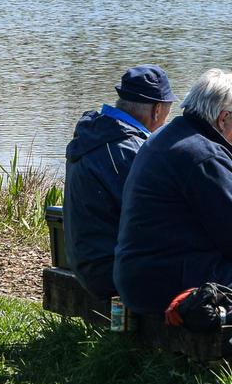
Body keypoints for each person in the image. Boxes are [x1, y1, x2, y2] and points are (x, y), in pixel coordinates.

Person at [113, 67, 232, 319]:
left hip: (138, 277)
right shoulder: (204, 157)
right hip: (162, 284)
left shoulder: (166, 137)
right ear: (224, 118)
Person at [61, 65, 173, 300]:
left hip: (86, 262)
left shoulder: (96, 133)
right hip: (109, 272)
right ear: (157, 110)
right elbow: (157, 217)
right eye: (167, 113)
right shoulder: (128, 150)